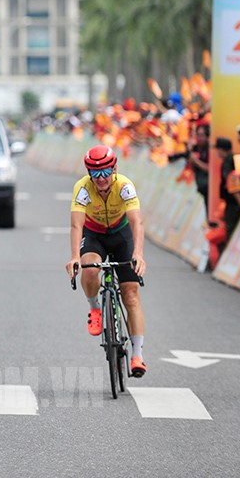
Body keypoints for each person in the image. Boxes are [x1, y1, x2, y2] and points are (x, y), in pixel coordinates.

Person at [64, 145, 148, 377]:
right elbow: (76, 225)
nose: (101, 178)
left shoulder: (124, 186)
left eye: (106, 172)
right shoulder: (83, 188)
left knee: (130, 293)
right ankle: (95, 309)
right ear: (88, 173)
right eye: (95, 173)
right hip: (94, 235)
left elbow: (137, 222)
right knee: (90, 269)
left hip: (122, 235)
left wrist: (138, 254)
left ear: (115, 169)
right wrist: (74, 257)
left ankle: (137, 355)